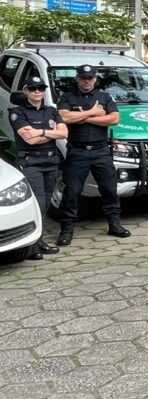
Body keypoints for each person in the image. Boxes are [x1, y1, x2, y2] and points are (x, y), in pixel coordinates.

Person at [56, 65, 131, 246]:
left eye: (90, 78)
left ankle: (114, 225)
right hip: (77, 151)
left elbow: (113, 119)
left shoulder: (104, 97)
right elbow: (64, 117)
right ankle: (66, 230)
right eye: (83, 78)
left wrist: (82, 117)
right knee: (72, 192)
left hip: (101, 151)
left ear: (95, 79)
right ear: (77, 79)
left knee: (109, 190)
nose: (87, 81)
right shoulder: (67, 96)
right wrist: (93, 112)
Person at [9, 76, 68, 259]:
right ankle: (32, 246)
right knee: (38, 204)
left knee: (46, 204)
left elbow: (64, 132)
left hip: (50, 163)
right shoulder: (18, 112)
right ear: (26, 91)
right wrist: (52, 134)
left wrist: (41, 132)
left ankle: (37, 242)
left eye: (41, 88)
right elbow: (29, 139)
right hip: (31, 163)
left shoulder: (51, 110)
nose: (37, 92)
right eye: (33, 88)